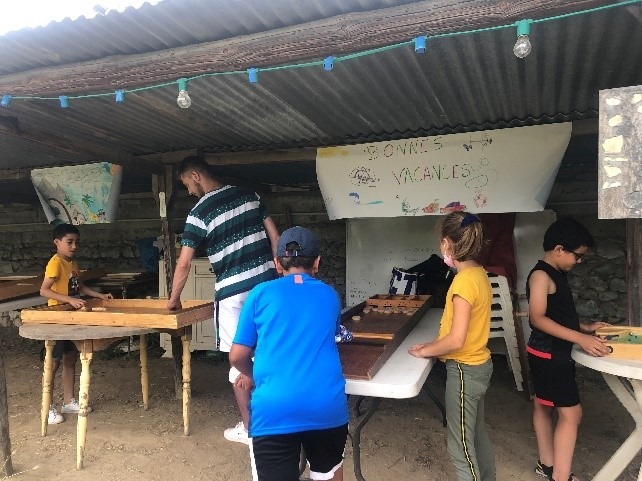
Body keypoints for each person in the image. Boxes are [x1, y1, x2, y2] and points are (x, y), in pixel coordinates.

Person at [167, 156, 279, 445]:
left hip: (232, 295)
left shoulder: (198, 212)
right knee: (268, 353)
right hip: (266, 287)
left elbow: (184, 264)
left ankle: (251, 429)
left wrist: (173, 300)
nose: (190, 192)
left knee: (238, 359)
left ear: (195, 175)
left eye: (187, 185)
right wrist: (281, 275)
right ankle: (277, 419)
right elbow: (276, 238)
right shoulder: (250, 196)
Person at [229, 226, 349, 481]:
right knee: (328, 475)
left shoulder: (260, 294)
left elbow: (237, 356)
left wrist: (254, 376)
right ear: (317, 262)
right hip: (326, 405)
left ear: (277, 263)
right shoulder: (330, 295)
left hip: (274, 407)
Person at [409, 211, 495, 481]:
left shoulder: (462, 283)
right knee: (476, 436)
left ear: (447, 244)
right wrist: (435, 344)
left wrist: (424, 351)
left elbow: (456, 340)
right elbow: (460, 333)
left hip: (463, 371)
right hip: (480, 365)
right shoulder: (480, 275)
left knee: (460, 447)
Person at [526, 218, 610, 481]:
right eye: (578, 256)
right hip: (550, 355)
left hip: (546, 353)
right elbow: (537, 318)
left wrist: (583, 327)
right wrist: (579, 339)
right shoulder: (541, 275)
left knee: (543, 406)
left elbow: (556, 314)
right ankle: (560, 477)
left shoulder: (556, 273)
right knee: (572, 414)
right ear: (560, 249)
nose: (579, 261)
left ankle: (547, 465)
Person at [39, 223, 113, 424]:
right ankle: (48, 407)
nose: (74, 247)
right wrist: (69, 300)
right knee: (53, 363)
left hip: (72, 317)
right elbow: (44, 290)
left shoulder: (72, 263)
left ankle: (69, 401)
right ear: (57, 242)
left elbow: (79, 286)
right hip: (57, 319)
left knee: (71, 358)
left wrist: (99, 295)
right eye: (69, 242)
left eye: (76, 243)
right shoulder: (55, 263)